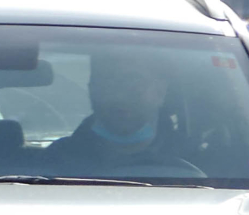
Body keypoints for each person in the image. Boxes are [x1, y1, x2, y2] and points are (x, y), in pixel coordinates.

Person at [47, 51, 182, 171]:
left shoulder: (195, 159)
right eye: (107, 82)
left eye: (134, 82)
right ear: (91, 90)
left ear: (160, 92)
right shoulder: (54, 161)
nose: (119, 94)